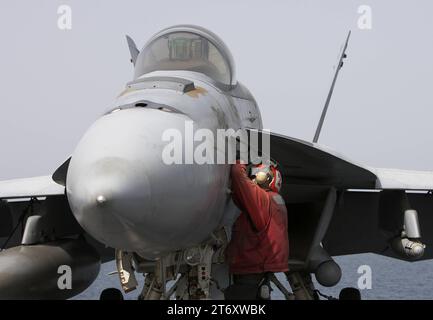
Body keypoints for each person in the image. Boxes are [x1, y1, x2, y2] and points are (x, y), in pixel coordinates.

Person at [225, 160, 289, 300]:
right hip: (260, 271)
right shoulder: (274, 200)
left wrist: (240, 162)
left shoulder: (262, 200)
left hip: (250, 273)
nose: (252, 180)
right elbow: (242, 197)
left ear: (262, 178)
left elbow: (237, 175)